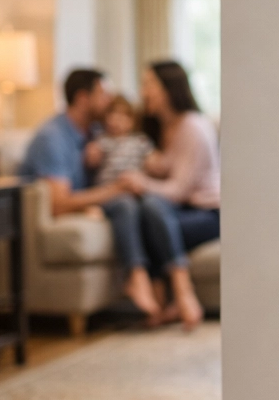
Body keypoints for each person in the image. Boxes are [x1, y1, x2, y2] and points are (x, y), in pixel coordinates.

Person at [104, 61, 219, 331]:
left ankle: (180, 291)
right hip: (179, 211)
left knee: (151, 209)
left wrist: (140, 181)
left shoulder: (193, 126)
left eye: (148, 84)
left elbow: (178, 191)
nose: (143, 92)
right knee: (144, 211)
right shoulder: (157, 127)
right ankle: (163, 299)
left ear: (168, 89)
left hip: (209, 213)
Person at [17, 68, 124, 217]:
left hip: (89, 199)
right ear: (82, 98)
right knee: (125, 207)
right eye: (103, 95)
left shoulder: (97, 131)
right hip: (54, 210)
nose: (110, 100)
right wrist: (116, 189)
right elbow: (58, 204)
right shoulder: (51, 138)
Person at [89, 95, 155, 186]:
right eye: (112, 115)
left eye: (121, 116)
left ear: (131, 121)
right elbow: (91, 160)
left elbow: (153, 160)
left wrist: (154, 164)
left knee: (153, 199)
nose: (116, 120)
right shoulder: (103, 139)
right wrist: (92, 152)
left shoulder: (140, 140)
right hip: (109, 189)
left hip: (133, 187)